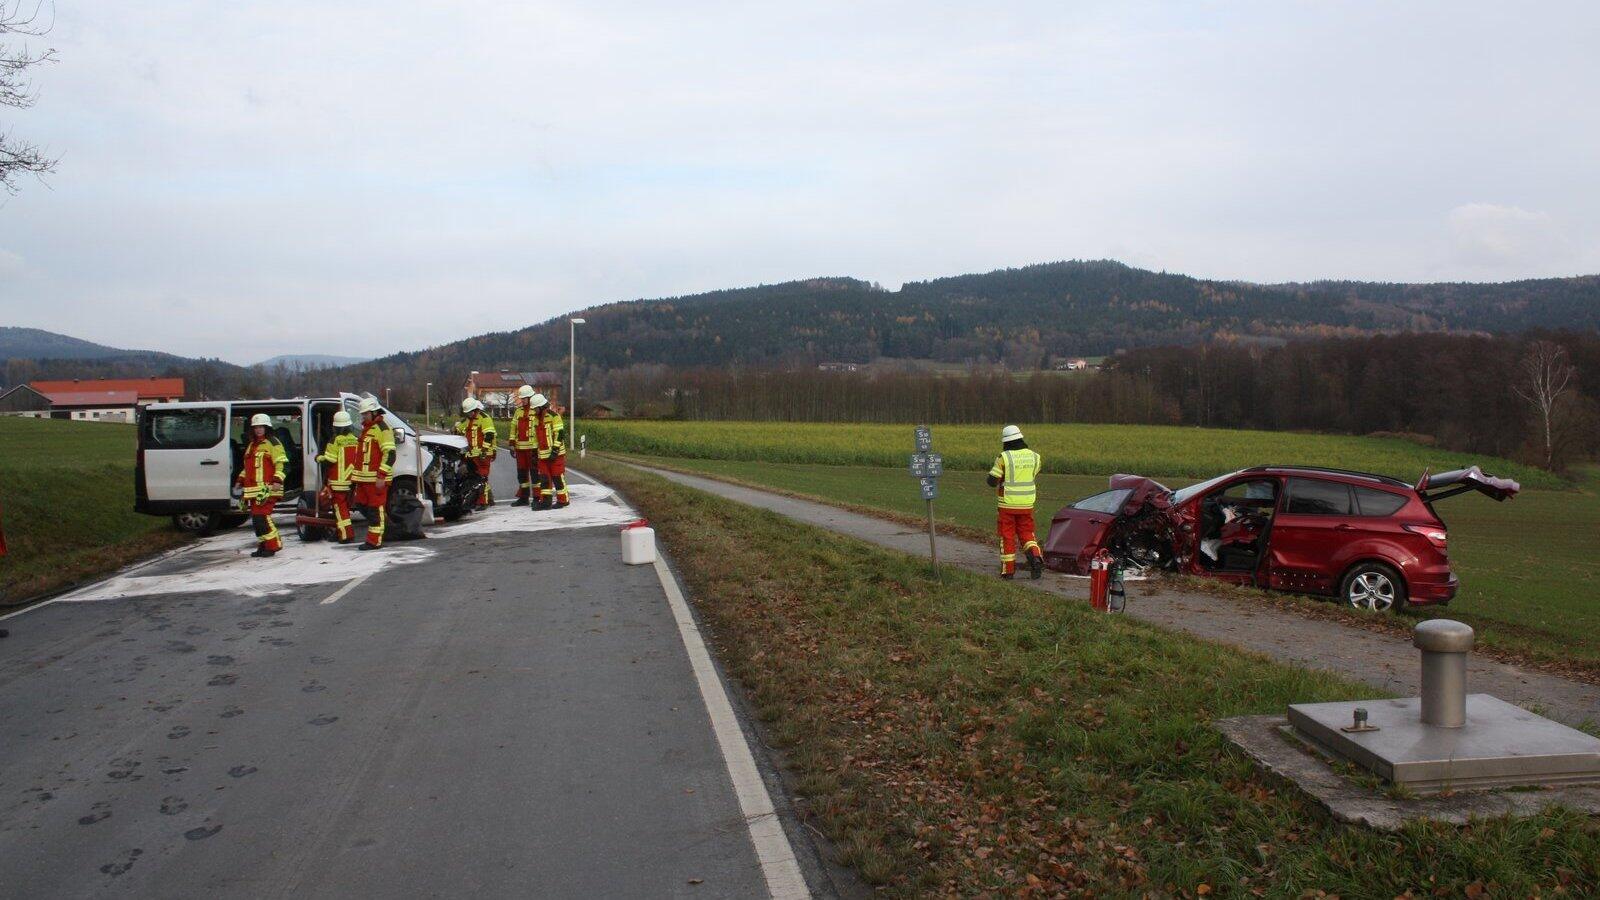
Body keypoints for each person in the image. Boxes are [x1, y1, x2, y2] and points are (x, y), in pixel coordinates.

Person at [986, 424, 1043, 579]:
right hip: (1027, 504)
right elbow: (1032, 475)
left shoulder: (1004, 457)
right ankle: (1036, 558)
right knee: (1027, 534)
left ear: (1005, 441)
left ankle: (1008, 571)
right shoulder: (1035, 457)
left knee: (1007, 536)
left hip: (1007, 504)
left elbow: (992, 481)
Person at [237, 412, 289, 558]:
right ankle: (263, 546)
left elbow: (282, 464)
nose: (258, 429)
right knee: (256, 520)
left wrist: (277, 480)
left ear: (267, 428)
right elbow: (248, 468)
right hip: (253, 490)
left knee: (262, 517)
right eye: (256, 427)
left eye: (261, 427)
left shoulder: (273, 443)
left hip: (268, 488)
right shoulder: (251, 445)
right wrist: (240, 480)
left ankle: (273, 545)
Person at [349, 397, 395, 551]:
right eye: (362, 414)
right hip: (364, 479)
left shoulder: (383, 429)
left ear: (374, 412)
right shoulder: (368, 429)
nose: (363, 417)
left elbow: (390, 454)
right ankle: (383, 529)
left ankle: (374, 541)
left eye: (365, 414)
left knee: (375, 509)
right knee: (361, 505)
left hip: (376, 479)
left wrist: (381, 475)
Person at [315, 410, 360, 543]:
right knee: (345, 508)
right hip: (352, 480)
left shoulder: (335, 440)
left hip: (338, 481)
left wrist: (319, 458)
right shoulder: (355, 439)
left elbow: (330, 460)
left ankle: (346, 535)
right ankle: (340, 532)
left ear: (335, 427)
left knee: (340, 510)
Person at [455, 397, 497, 509]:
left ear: (475, 410)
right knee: (476, 478)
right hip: (472, 455)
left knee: (482, 478)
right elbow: (459, 429)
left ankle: (483, 502)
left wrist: (484, 450)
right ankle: (488, 499)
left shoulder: (484, 418)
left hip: (483, 455)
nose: (468, 414)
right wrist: (455, 429)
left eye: (470, 412)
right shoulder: (467, 420)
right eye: (467, 413)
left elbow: (489, 435)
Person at [531, 392, 569, 510]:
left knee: (557, 477)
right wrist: (534, 452)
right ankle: (546, 502)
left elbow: (559, 434)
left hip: (556, 454)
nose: (534, 411)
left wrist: (555, 451)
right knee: (544, 478)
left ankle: (563, 500)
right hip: (542, 455)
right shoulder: (535, 419)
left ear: (541, 407)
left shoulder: (554, 416)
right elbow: (535, 437)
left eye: (535, 408)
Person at [508, 385, 538, 506]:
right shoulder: (518, 411)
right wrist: (511, 443)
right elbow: (513, 427)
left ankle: (537, 497)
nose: (523, 400)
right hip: (520, 449)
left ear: (530, 397)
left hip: (533, 448)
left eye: (524, 398)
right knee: (521, 474)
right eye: (522, 398)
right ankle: (524, 497)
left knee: (535, 474)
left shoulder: (536, 410)